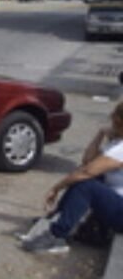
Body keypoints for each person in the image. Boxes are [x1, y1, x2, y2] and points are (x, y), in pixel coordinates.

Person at [21, 101, 123, 253]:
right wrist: (100, 134)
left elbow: (87, 171)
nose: (111, 123)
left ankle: (57, 236)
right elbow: (87, 160)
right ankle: (57, 218)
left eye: (114, 120)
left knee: (85, 185)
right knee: (84, 179)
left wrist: (56, 188)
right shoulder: (117, 143)